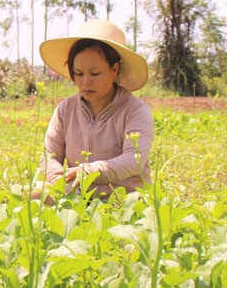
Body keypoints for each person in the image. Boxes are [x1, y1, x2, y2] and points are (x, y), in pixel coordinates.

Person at [34, 19, 154, 203]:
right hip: (80, 195)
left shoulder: (135, 111)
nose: (86, 81)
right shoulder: (65, 110)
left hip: (124, 200)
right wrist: (57, 179)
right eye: (79, 74)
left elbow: (133, 159)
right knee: (32, 195)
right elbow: (49, 156)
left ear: (114, 69)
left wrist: (88, 172)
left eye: (95, 73)